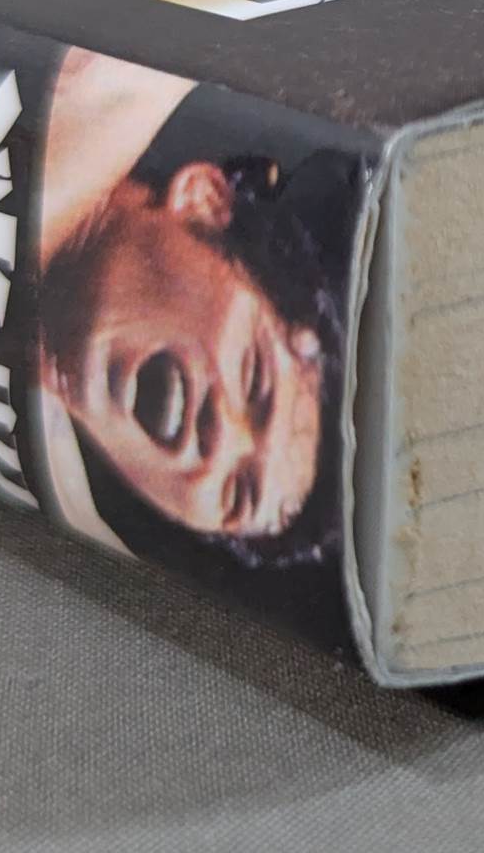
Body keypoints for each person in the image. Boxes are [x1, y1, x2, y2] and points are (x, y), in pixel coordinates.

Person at [34, 48, 342, 563]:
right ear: (203, 202)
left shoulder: (43, 508)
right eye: (254, 379)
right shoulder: (106, 72)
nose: (223, 434)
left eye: (238, 492)